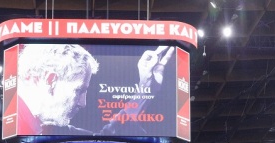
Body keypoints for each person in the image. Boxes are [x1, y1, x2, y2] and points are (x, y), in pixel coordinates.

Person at [14, 44, 174, 136]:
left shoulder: (46, 125)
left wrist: (145, 89)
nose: (83, 103)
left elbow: (103, 140)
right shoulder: (18, 124)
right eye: (79, 91)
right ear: (51, 80)